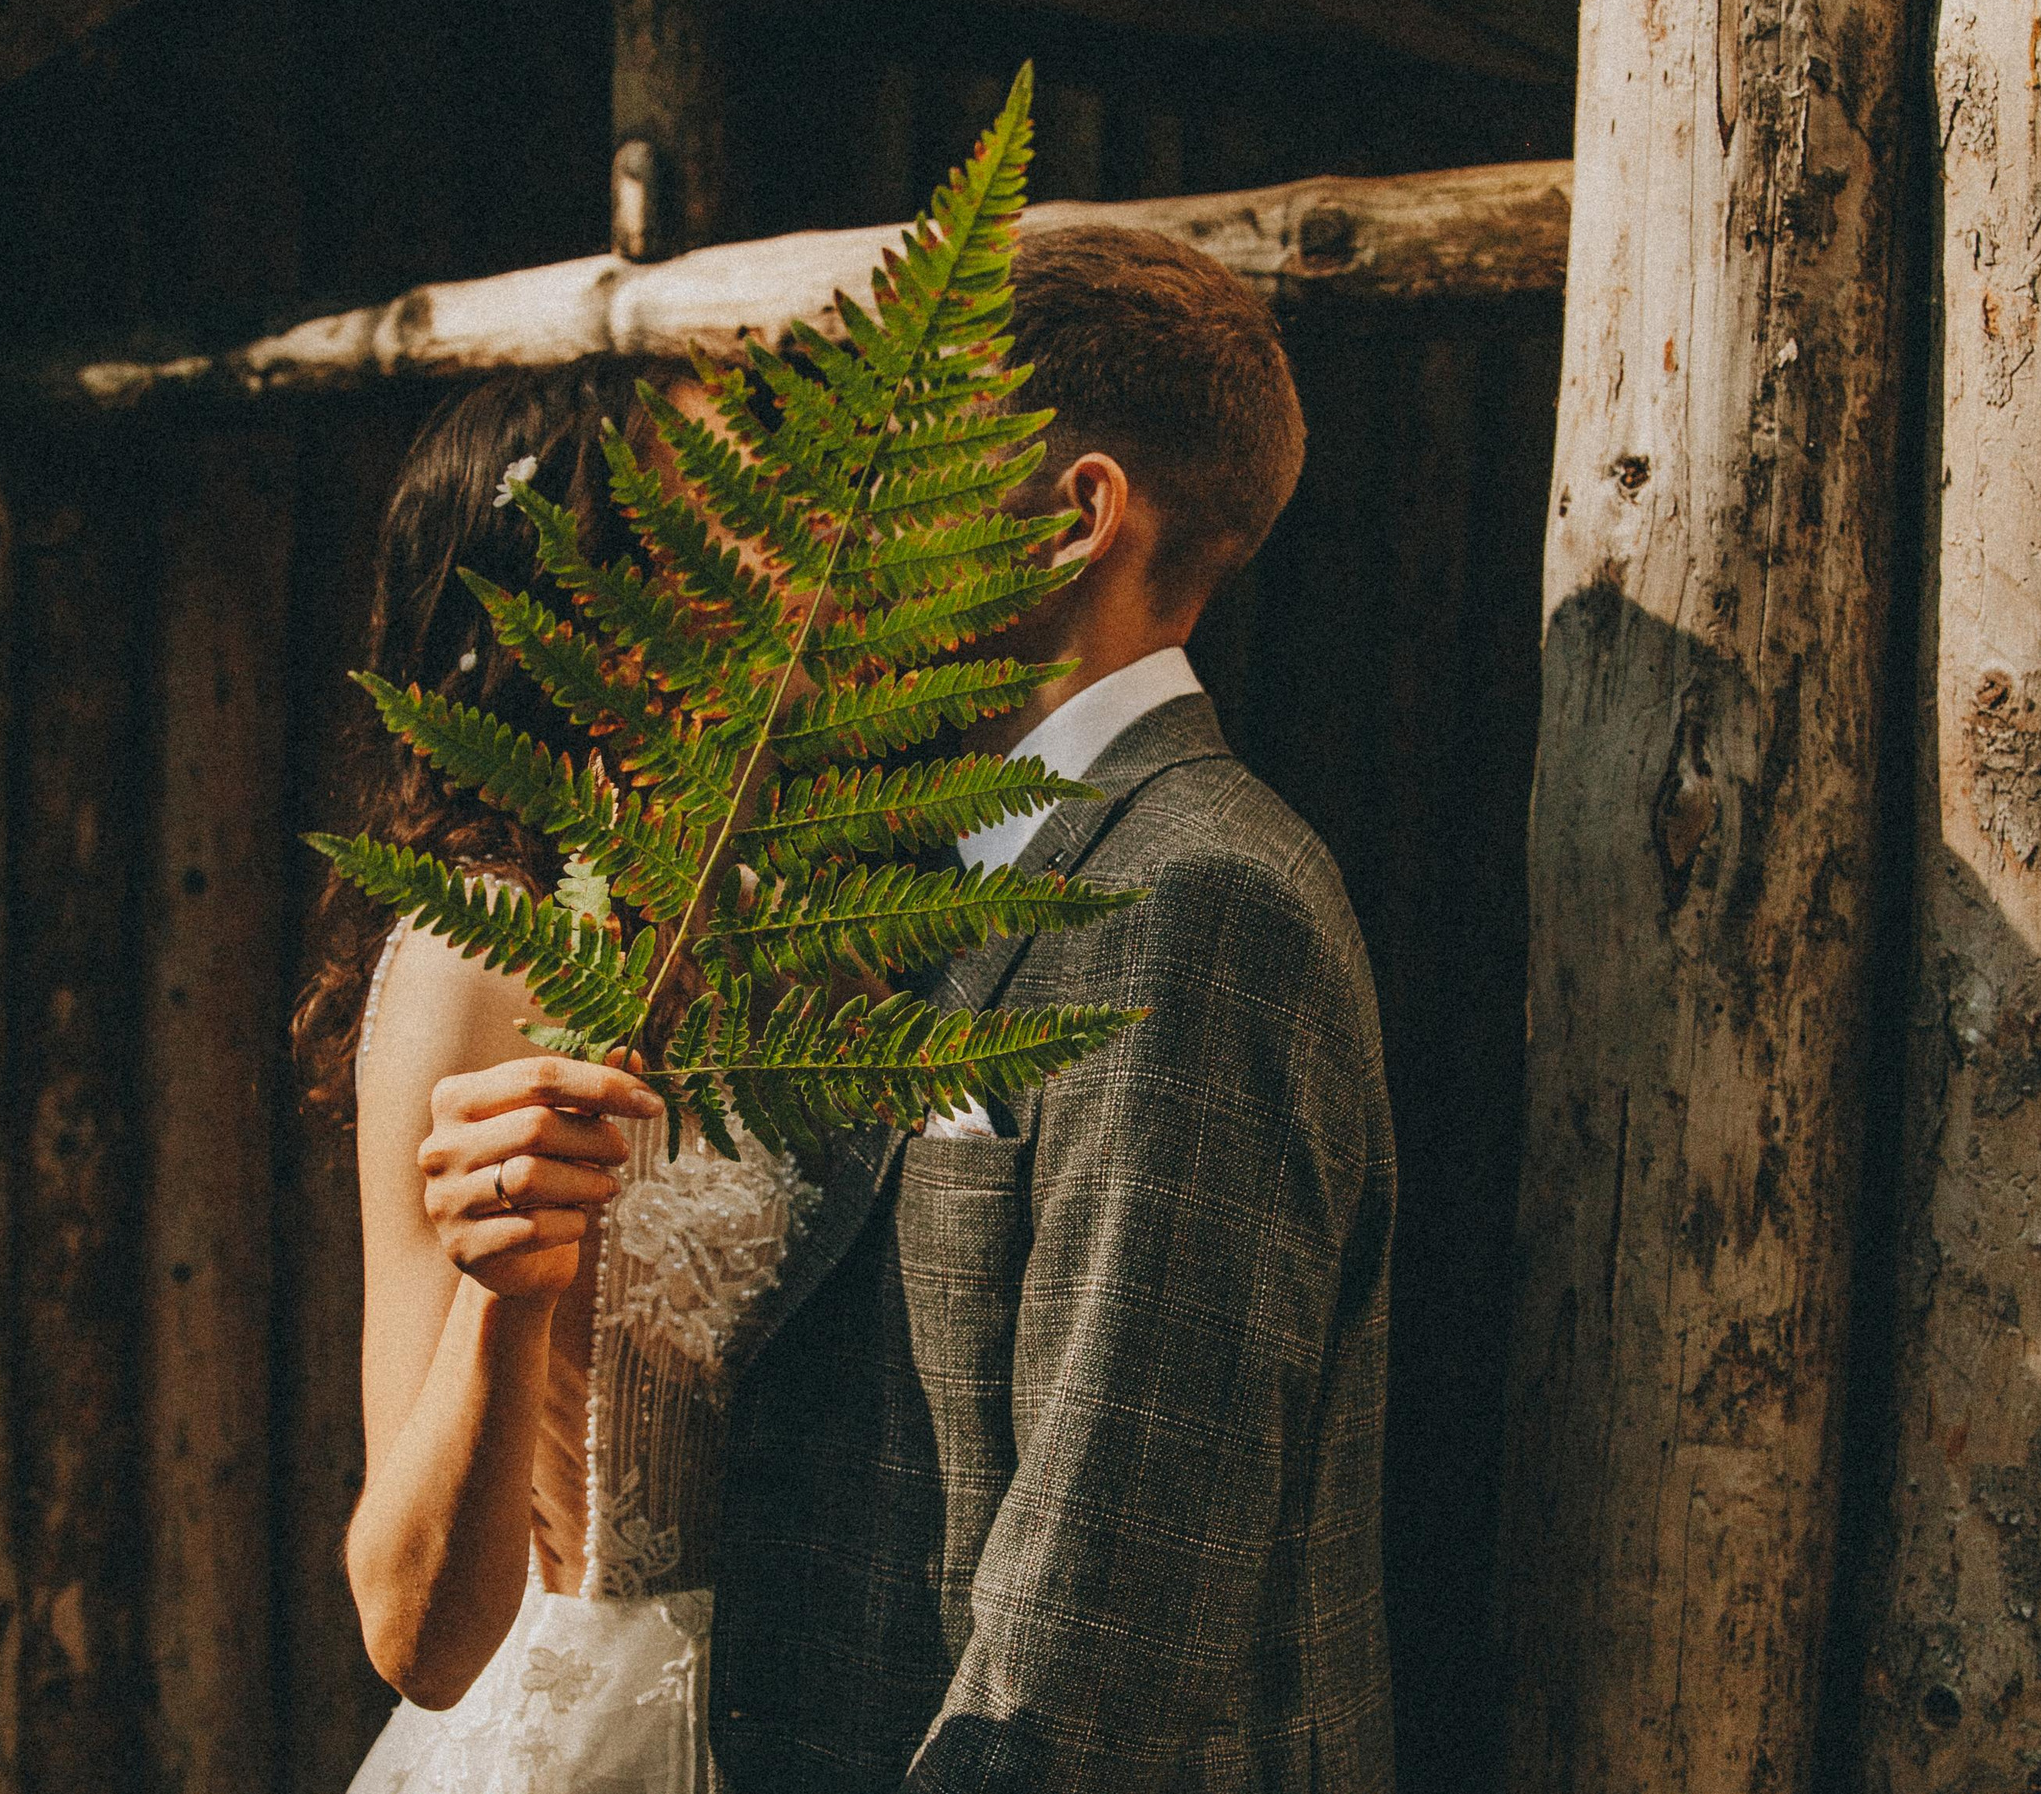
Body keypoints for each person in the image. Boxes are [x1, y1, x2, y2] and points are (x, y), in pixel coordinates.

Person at [708, 223, 1398, 1793]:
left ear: (1077, 515)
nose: (830, 532)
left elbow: (1107, 1615)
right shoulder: (943, 866)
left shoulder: (1198, 904)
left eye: (893, 473)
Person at [295, 361, 819, 1794]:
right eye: (722, 521)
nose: (772, 556)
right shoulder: (480, 964)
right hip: (613, 1738)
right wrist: (501, 1296)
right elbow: (410, 1625)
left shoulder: (793, 921)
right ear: (600, 608)